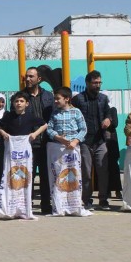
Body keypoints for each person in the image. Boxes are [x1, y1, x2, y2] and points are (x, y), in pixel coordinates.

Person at [0, 91, 48, 219]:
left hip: (25, 152)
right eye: (16, 101)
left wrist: (35, 134)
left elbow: (45, 124)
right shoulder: (8, 116)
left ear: (27, 104)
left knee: (26, 176)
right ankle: (9, 206)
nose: (19, 103)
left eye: (21, 101)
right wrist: (4, 134)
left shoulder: (31, 116)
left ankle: (26, 206)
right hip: (11, 151)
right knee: (10, 175)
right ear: (13, 103)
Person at [45, 87, 91, 216]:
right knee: (58, 177)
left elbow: (83, 129)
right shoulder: (54, 113)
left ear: (67, 99)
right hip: (57, 149)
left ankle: (74, 205)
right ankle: (59, 206)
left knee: (73, 176)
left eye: (58, 98)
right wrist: (58, 137)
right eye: (54, 98)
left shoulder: (76, 112)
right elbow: (49, 129)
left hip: (72, 150)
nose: (55, 101)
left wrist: (75, 141)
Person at [71, 70, 112, 210]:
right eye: (95, 83)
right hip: (84, 141)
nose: (98, 85)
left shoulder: (103, 99)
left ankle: (103, 199)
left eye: (99, 82)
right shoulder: (78, 99)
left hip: (100, 140)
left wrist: (108, 119)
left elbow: (109, 112)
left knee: (103, 171)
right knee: (86, 172)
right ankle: (87, 200)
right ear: (87, 83)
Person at [24, 67, 54, 214]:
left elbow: (53, 117)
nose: (28, 79)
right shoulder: (21, 96)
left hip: (47, 142)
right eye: (27, 76)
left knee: (46, 175)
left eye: (31, 76)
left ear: (39, 79)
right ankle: (27, 205)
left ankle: (46, 205)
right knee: (28, 175)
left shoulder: (49, 96)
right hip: (29, 143)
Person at [104, 106, 122, 199]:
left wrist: (107, 121)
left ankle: (117, 190)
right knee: (104, 168)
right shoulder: (100, 109)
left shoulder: (112, 109)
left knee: (114, 168)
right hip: (102, 142)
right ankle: (106, 191)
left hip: (111, 142)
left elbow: (115, 124)